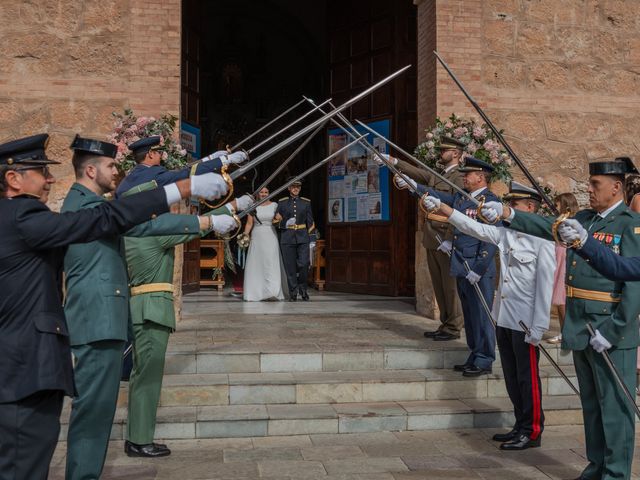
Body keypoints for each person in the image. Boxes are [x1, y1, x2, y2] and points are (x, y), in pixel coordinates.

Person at [0, 133, 223, 480]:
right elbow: (119, 218)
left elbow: (129, 219)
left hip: (77, 332)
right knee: (83, 418)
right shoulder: (60, 208)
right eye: (110, 165)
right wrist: (186, 191)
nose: (49, 179)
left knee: (68, 429)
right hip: (84, 326)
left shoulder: (45, 213)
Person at [61, 136, 234, 479]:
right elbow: (136, 218)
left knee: (97, 417)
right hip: (97, 322)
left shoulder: (96, 205)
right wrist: (187, 187)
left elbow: (144, 223)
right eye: (111, 166)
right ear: (91, 169)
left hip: (106, 321)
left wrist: (207, 222)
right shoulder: (85, 206)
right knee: (91, 416)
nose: (117, 171)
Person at [481, 156, 640, 480]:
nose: (590, 191)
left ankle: (616, 473)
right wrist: (509, 214)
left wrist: (615, 329)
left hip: (610, 330)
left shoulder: (629, 223)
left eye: (595, 185)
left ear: (616, 186)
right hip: (581, 326)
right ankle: (596, 466)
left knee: (615, 410)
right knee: (593, 407)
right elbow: (547, 226)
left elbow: (634, 285)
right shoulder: (586, 219)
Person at [121, 136, 251, 458]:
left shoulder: (138, 227)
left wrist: (234, 207)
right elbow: (190, 225)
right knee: (148, 379)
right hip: (151, 310)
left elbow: (186, 223)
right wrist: (230, 210)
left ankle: (137, 436)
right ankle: (139, 439)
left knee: (144, 377)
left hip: (145, 309)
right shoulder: (149, 228)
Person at [423, 181, 555, 449]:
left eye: (513, 205)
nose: (507, 210)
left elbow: (545, 285)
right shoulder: (508, 234)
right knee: (511, 376)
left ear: (530, 208)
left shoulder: (542, 240)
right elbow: (475, 227)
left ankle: (532, 430)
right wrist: (446, 210)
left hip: (526, 322)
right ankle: (519, 424)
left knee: (527, 379)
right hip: (505, 317)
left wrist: (538, 327)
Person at [403, 156, 500, 376]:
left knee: (482, 316)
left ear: (481, 177)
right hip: (462, 265)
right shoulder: (462, 198)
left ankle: (485, 359)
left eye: (469, 174)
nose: (464, 177)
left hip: (477, 269)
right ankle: (474, 354)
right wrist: (412, 185)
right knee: (470, 315)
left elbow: (490, 239)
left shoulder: (489, 201)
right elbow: (438, 196)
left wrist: (480, 268)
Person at [378, 136, 465, 341]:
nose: (440, 153)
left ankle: (454, 326)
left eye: (445, 150)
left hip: (446, 233)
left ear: (455, 153)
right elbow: (419, 173)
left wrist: (414, 186)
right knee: (439, 284)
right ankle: (445, 323)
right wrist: (393, 161)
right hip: (432, 234)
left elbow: (455, 205)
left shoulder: (459, 177)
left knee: (449, 285)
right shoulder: (440, 174)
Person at [115, 135, 247, 197]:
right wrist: (225, 160)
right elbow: (186, 173)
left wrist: (211, 158)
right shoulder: (154, 174)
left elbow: (181, 171)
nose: (161, 156)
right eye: (159, 153)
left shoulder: (130, 177)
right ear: (150, 154)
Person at [275, 178, 317, 301]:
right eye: (293, 187)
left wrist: (312, 239)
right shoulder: (282, 203)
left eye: (298, 187)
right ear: (288, 188)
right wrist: (284, 224)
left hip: (303, 237)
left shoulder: (306, 202)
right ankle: (293, 292)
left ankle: (303, 289)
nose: (296, 189)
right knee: (290, 267)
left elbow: (310, 222)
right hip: (287, 238)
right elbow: (275, 222)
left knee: (304, 264)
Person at [243, 187, 288, 301]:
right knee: (257, 262)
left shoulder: (274, 205)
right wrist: (245, 235)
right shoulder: (253, 206)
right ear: (258, 194)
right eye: (261, 192)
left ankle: (273, 290)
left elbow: (279, 219)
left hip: (270, 235)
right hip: (257, 234)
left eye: (266, 192)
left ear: (269, 193)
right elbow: (249, 223)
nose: (264, 194)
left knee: (271, 261)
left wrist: (279, 219)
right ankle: (256, 291)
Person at [547, 192, 579, 345]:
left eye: (558, 203)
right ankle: (563, 331)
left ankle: (566, 334)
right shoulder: (559, 220)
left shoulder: (571, 222)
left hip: (564, 262)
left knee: (562, 302)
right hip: (557, 261)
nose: (555, 206)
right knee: (559, 302)